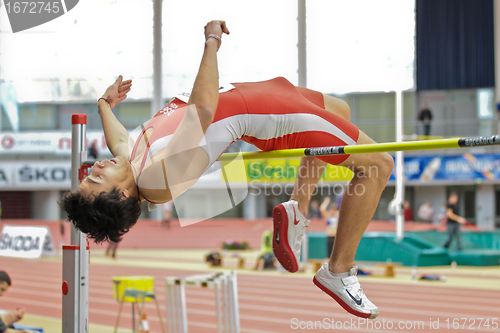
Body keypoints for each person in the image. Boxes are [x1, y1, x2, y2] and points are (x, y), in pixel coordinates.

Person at [61, 20, 393, 319]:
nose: (97, 165)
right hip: (271, 113)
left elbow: (117, 139)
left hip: (256, 93)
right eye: (96, 176)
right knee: (378, 165)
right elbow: (203, 109)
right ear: (120, 194)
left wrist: (104, 104)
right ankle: (339, 269)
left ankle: (298, 210)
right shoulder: (158, 178)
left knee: (341, 109)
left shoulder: (132, 162)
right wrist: (211, 42)